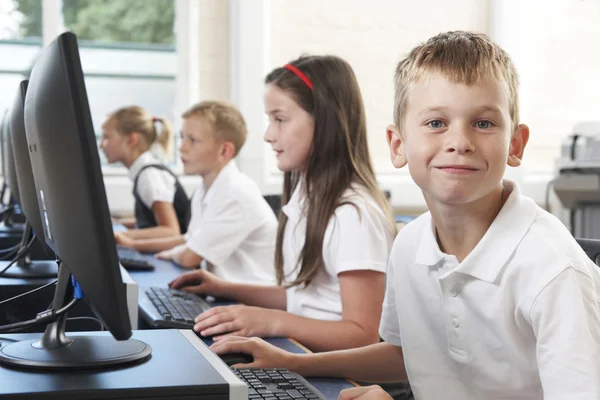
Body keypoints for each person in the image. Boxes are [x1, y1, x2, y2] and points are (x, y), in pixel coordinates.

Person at [210, 31, 600, 400]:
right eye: (436, 123)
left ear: (515, 144)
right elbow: (404, 354)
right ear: (397, 145)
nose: (459, 142)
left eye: (483, 123)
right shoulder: (411, 244)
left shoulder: (555, 272)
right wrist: (295, 364)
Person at [169, 55, 397, 352]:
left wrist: (271, 321)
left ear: (325, 121)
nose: (267, 135)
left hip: (350, 377)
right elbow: (306, 300)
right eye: (269, 120)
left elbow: (362, 334)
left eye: (280, 119)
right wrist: (224, 288)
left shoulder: (353, 214)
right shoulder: (306, 197)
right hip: (308, 354)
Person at [115, 101, 277, 284]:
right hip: (227, 296)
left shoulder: (235, 193)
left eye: (192, 140)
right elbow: (190, 239)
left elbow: (189, 256)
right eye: (182, 137)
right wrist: (134, 246)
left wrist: (165, 252)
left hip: (251, 303)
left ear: (225, 150)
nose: (182, 147)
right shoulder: (205, 189)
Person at [100, 106, 189, 239]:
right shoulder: (144, 172)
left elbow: (171, 231)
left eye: (107, 137)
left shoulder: (149, 176)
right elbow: (149, 223)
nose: (101, 144)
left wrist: (120, 235)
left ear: (131, 140)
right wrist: (118, 224)